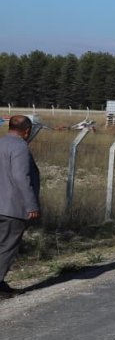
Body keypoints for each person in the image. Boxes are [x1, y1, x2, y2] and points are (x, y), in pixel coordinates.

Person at [1, 115, 42, 298]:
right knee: (7, 247)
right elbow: (21, 177)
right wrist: (31, 205)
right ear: (27, 131)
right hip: (12, 207)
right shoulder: (20, 147)